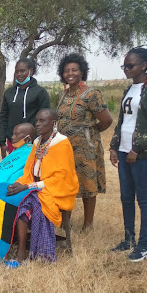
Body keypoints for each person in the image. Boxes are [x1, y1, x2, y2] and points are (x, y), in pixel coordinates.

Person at [109, 45, 147, 262]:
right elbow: (122, 121)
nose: (126, 69)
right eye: (124, 65)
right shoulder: (129, 90)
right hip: (125, 152)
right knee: (126, 197)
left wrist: (137, 149)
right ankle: (128, 240)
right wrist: (114, 147)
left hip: (141, 154)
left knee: (143, 199)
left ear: (143, 65)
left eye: (130, 65)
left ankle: (143, 246)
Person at [0, 109, 78, 266]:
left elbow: (61, 178)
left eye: (42, 121)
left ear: (53, 123)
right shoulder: (37, 142)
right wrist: (20, 184)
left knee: (28, 203)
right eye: (37, 120)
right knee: (7, 195)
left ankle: (24, 252)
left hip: (57, 189)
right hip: (35, 185)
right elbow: (29, 170)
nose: (38, 124)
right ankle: (6, 245)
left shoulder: (62, 143)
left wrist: (28, 186)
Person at [56, 53, 113, 231]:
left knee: (88, 184)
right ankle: (65, 222)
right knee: (66, 183)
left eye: (74, 70)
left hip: (85, 148)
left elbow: (107, 120)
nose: (70, 73)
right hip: (65, 147)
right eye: (66, 71)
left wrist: (89, 133)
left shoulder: (92, 94)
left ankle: (88, 225)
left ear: (82, 72)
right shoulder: (62, 94)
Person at [0, 58, 50, 158]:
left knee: (31, 171)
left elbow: (45, 119)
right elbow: (3, 117)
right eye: (16, 71)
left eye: (22, 71)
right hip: (12, 142)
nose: (19, 74)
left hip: (33, 142)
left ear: (30, 71)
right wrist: (2, 142)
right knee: (14, 171)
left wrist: (42, 141)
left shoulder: (40, 92)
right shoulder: (9, 93)